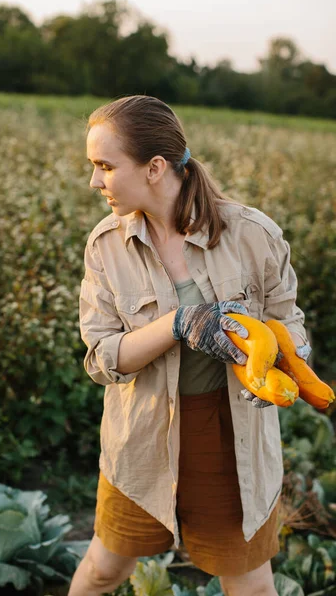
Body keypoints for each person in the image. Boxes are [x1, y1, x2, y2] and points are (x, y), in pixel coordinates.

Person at [69, 95, 311, 596]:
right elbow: (102, 360)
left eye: (105, 166)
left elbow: (290, 324)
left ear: (155, 167)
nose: (94, 181)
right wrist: (180, 323)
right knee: (101, 572)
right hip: (141, 436)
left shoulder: (251, 234)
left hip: (231, 439)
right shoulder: (106, 245)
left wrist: (285, 367)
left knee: (251, 588)